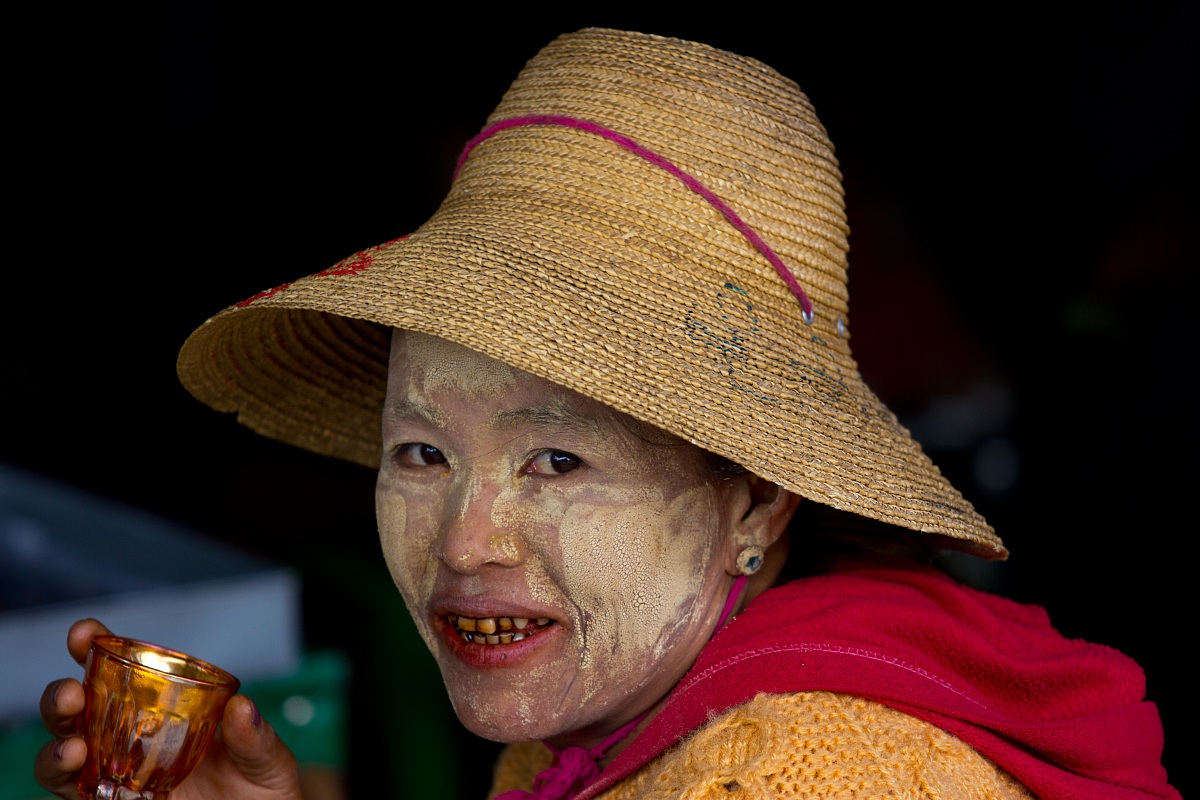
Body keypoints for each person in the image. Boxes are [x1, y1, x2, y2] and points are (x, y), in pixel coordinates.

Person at [34, 27, 1179, 800]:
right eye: (423, 450)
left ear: (758, 497)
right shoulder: (594, 705)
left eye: (559, 459)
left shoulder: (795, 770)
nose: (466, 542)